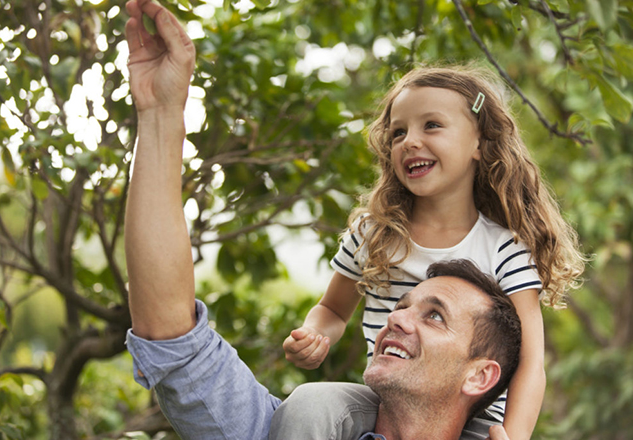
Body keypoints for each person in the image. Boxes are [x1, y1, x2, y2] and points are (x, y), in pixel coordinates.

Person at [123, 1, 520, 439]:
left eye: (435, 316)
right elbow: (175, 342)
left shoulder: (505, 247)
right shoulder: (288, 428)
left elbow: (532, 364)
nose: (396, 318)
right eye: (401, 304)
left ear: (480, 376)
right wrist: (161, 116)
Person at [282, 62, 585, 438]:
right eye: (397, 132)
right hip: (387, 406)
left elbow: (530, 362)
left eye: (432, 125)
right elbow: (332, 309)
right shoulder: (374, 233)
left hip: (475, 420)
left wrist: (514, 435)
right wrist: (315, 334)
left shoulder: (506, 249)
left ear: (479, 143)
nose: (409, 141)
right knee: (312, 403)